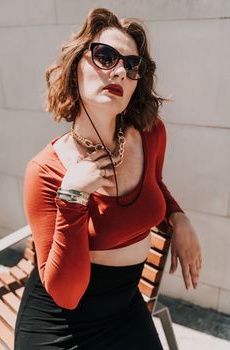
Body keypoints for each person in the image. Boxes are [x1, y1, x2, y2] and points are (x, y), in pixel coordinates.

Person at [14, 7, 202, 350]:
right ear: (75, 69)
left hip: (125, 306)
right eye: (105, 56)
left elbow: (154, 183)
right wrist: (72, 195)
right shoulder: (44, 171)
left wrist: (178, 216)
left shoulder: (150, 135)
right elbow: (67, 295)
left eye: (131, 66)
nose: (118, 71)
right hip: (61, 324)